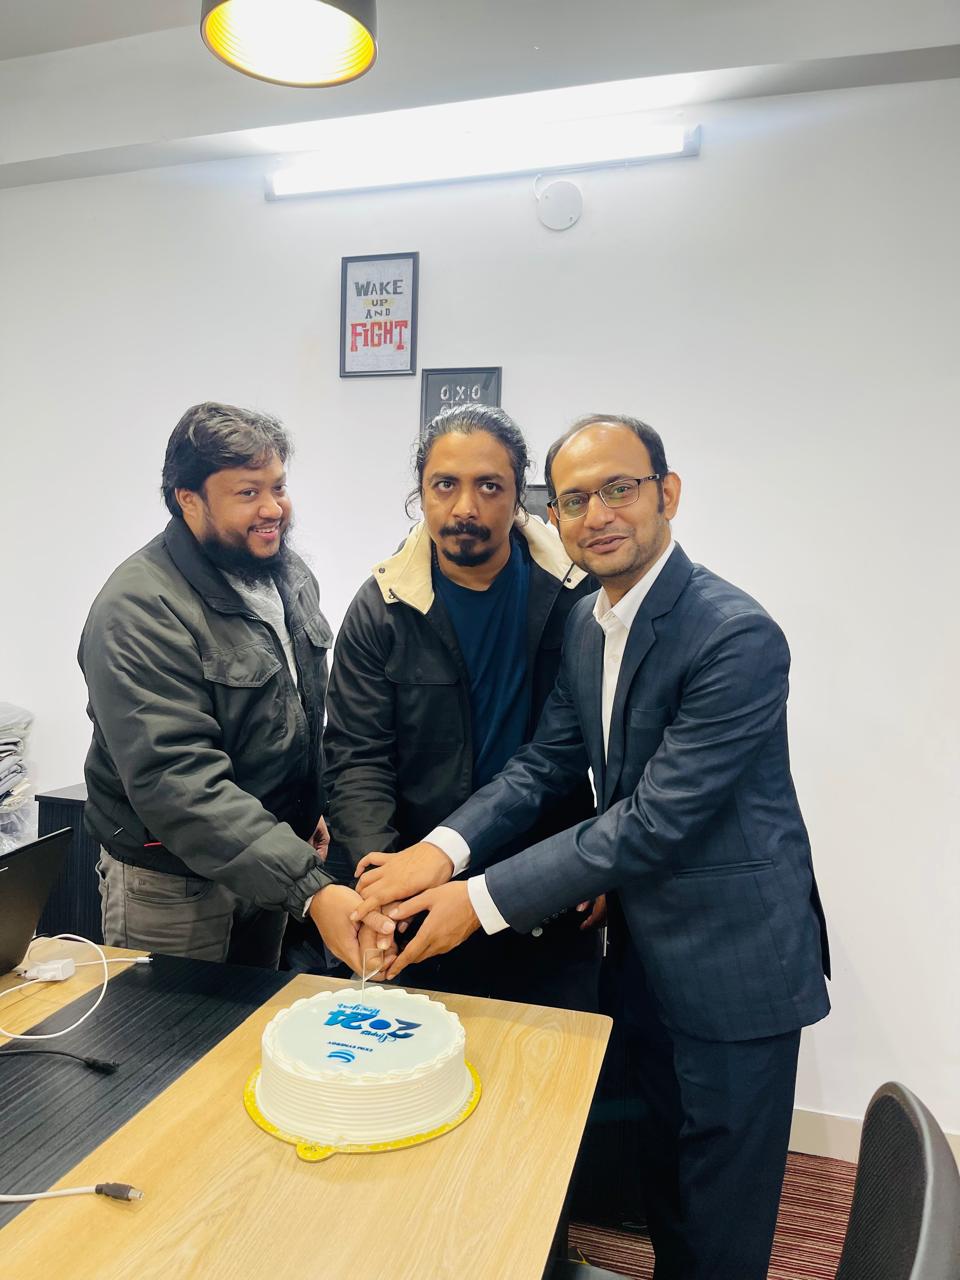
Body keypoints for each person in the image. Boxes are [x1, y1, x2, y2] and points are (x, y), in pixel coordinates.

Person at [352, 413, 830, 1279]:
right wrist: (441, 851)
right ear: (555, 516)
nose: (597, 515)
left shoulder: (733, 635)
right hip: (642, 955)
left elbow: (652, 821)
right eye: (575, 499)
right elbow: (545, 763)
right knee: (665, 1188)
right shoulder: (586, 624)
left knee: (720, 1222)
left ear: (666, 493)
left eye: (619, 489)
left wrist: (477, 900)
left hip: (734, 965)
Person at [78, 401, 393, 971]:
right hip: (175, 885)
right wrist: (309, 887)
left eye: (279, 487)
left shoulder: (287, 575)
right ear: (189, 500)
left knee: (255, 1019)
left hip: (269, 863)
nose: (273, 509)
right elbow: (177, 781)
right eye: (248, 493)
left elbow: (295, 711)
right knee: (174, 1028)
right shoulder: (138, 609)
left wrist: (306, 810)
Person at [322, 403, 601, 1008]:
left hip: (547, 887)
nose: (465, 507)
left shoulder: (579, 596)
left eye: (489, 486)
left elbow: (606, 742)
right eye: (445, 485)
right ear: (421, 493)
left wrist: (605, 864)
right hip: (416, 893)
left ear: (519, 495)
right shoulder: (381, 608)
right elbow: (357, 759)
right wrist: (381, 881)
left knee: (547, 1060)